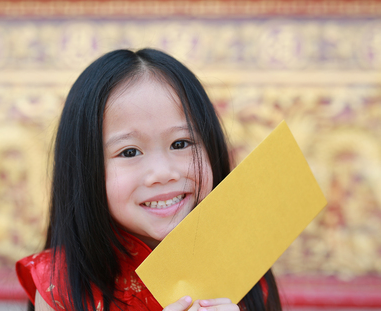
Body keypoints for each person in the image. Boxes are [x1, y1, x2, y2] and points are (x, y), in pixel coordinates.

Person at [16, 48, 282, 311]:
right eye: (129, 152)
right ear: (86, 170)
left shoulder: (243, 259)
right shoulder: (62, 287)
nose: (162, 173)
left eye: (180, 143)